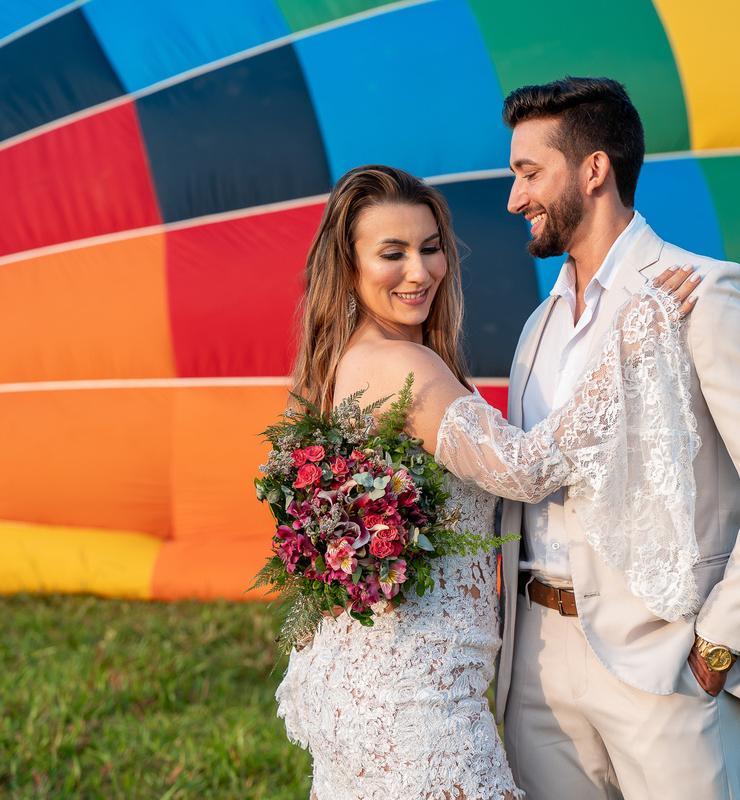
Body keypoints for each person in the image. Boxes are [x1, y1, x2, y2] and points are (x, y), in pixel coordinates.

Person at [273, 164, 701, 800]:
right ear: (349, 264)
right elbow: (523, 469)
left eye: (430, 247)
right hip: (415, 699)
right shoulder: (401, 366)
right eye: (392, 253)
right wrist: (629, 349)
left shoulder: (350, 360)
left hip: (383, 680)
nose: (420, 272)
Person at [495, 77, 740, 800]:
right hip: (538, 663)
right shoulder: (538, 327)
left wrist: (721, 642)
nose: (514, 198)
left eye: (530, 173)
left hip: (664, 659)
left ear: (594, 170)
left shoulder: (705, 293)